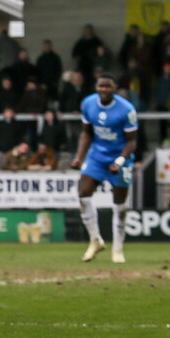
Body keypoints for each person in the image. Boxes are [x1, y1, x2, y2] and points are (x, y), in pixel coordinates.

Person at [69, 73, 138, 264]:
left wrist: (120, 161)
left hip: (120, 157)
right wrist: (79, 157)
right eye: (101, 86)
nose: (104, 89)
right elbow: (86, 133)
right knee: (83, 194)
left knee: (120, 205)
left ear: (115, 88)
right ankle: (95, 240)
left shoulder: (127, 109)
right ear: (96, 87)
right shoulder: (88, 103)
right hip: (97, 156)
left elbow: (132, 141)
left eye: (108, 86)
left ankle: (118, 249)